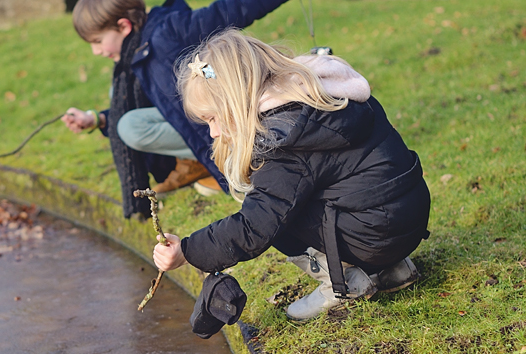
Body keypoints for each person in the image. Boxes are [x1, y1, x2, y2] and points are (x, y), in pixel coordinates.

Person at [151, 29, 430, 322]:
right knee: (311, 192)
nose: (214, 132)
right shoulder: (321, 89)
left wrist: (187, 250)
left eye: (213, 118)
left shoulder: (283, 138)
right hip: (408, 216)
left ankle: (341, 282)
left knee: (276, 215)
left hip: (377, 236)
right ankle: (392, 268)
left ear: (235, 101)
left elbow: (253, 227)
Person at [61, 0, 314, 219]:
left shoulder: (170, 29)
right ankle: (196, 163)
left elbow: (233, 8)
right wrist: (97, 119)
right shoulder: (134, 59)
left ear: (124, 26)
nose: (96, 51)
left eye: (98, 41)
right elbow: (148, 108)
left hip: (220, 121)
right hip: (191, 125)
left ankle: (213, 158)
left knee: (132, 119)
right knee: (123, 115)